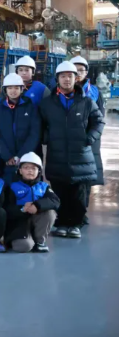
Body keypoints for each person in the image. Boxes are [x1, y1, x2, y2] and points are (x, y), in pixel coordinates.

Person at [39, 61, 103, 239]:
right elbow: (40, 124)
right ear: (57, 79)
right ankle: (62, 223)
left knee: (79, 192)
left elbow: (99, 121)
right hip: (57, 154)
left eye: (70, 76)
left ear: (76, 79)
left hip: (81, 155)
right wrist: (47, 138)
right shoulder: (47, 104)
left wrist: (89, 138)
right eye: (63, 76)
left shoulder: (86, 102)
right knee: (60, 189)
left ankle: (75, 223)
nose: (67, 79)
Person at [0, 73, 40, 185]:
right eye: (10, 88)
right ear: (5, 90)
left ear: (22, 89)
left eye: (16, 88)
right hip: (6, 160)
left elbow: (34, 133)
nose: (13, 91)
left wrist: (22, 155)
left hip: (27, 158)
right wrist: (7, 156)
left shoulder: (31, 107)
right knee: (7, 188)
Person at [71, 55, 105, 223]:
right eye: (74, 70)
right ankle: (67, 213)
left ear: (86, 72)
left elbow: (100, 118)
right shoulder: (61, 91)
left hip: (87, 142)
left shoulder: (94, 92)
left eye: (81, 70)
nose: (78, 73)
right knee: (67, 178)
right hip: (68, 141)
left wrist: (90, 137)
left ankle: (81, 212)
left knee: (85, 178)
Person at [5, 152, 60, 253]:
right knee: (23, 247)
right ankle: (24, 239)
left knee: (50, 212)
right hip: (20, 223)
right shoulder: (12, 187)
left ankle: (40, 241)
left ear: (39, 171)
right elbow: (7, 208)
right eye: (26, 168)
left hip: (38, 220)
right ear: (20, 170)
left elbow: (55, 201)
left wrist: (37, 206)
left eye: (34, 168)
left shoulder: (44, 187)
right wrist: (22, 209)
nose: (30, 170)